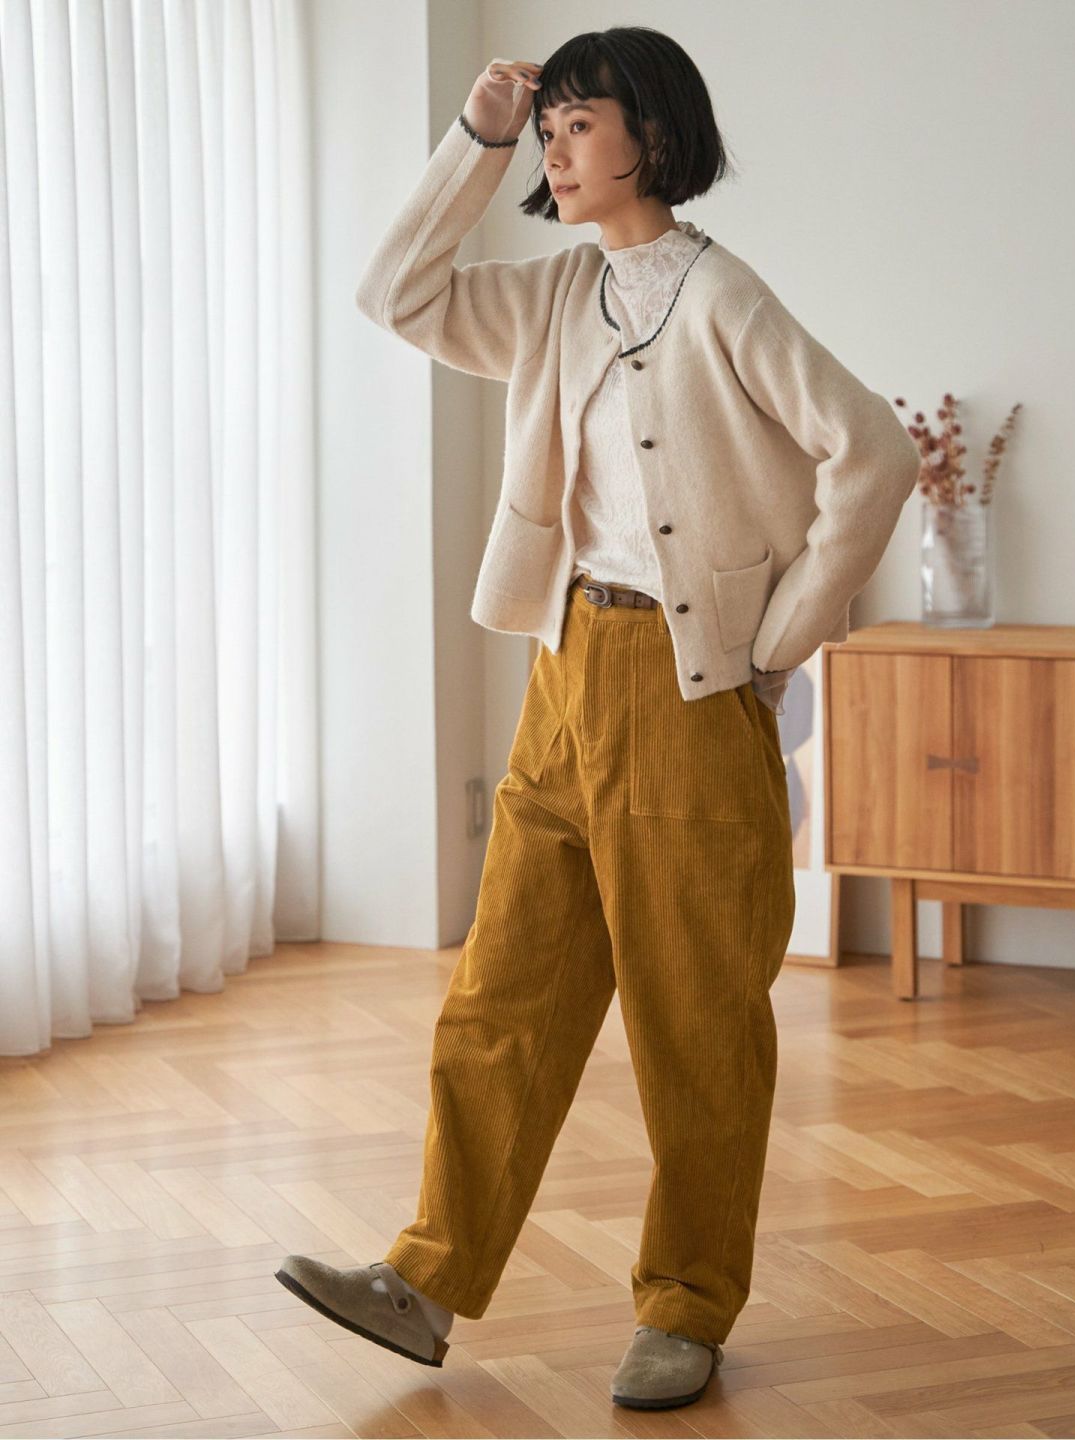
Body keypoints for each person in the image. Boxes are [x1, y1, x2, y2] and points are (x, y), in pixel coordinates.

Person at [275, 26, 919, 1412]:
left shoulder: (720, 293)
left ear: (654, 136)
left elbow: (871, 450)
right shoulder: (558, 295)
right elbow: (394, 292)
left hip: (687, 696)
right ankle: (426, 1280)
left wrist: (780, 635)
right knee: (500, 999)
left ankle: (686, 1305)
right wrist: (478, 136)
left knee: (697, 1025)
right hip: (563, 674)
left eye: (579, 125)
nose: (557, 153)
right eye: (549, 130)